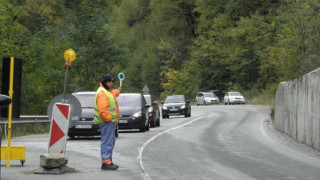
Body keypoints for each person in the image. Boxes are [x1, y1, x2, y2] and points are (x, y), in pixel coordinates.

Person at [94, 74, 121, 170]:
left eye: (113, 82)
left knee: (110, 141)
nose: (111, 84)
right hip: (106, 122)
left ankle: (108, 161)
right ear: (105, 82)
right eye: (109, 82)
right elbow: (102, 109)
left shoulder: (107, 91)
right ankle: (106, 163)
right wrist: (109, 119)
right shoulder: (102, 93)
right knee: (107, 141)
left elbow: (114, 93)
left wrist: (118, 90)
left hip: (108, 122)